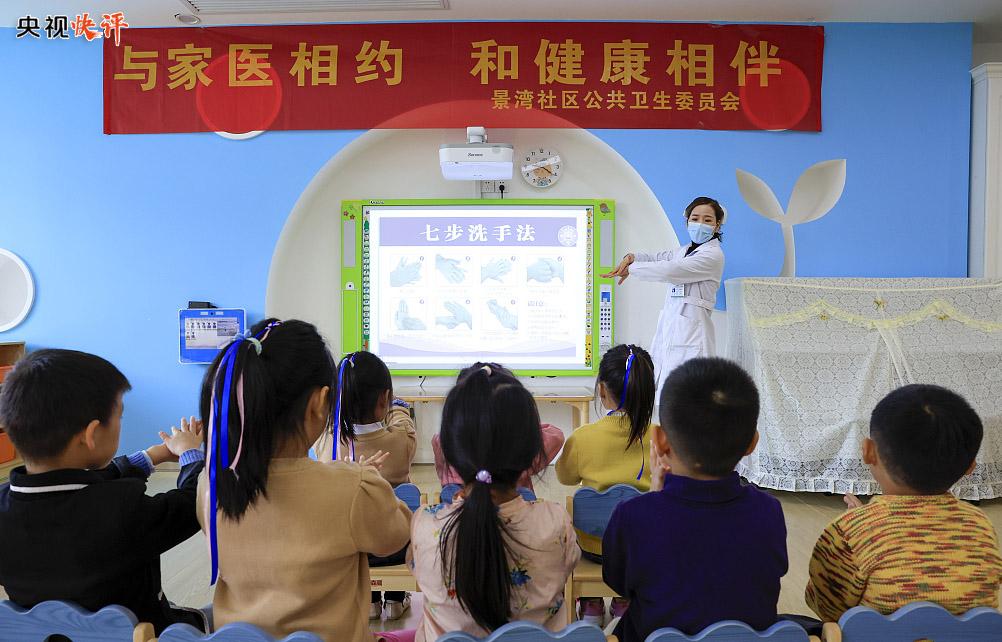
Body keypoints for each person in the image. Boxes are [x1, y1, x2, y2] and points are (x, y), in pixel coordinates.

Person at [196, 319, 412, 642]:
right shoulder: (353, 488)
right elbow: (396, 535)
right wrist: (371, 482)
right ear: (319, 403)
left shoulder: (210, 484)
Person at [0, 349, 208, 634]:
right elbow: (193, 503)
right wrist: (190, 455)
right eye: (119, 416)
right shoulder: (122, 510)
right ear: (91, 434)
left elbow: (82, 483)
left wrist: (152, 456)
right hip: (142, 634)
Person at [603, 357, 787, 642]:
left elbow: (618, 582)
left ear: (660, 440)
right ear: (752, 442)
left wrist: (654, 499)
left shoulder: (633, 515)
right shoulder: (769, 511)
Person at [409, 363, 580, 642]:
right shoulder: (555, 522)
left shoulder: (425, 525)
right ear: (531, 449)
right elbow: (569, 562)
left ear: (449, 448)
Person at [805, 384, 1002, 621]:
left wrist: (865, 525)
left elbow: (826, 608)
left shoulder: (849, 532)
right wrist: (870, 523)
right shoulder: (980, 526)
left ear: (868, 451)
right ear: (971, 467)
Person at [555, 344, 655, 625]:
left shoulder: (583, 437)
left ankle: (591, 606)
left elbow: (565, 477)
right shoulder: (661, 436)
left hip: (594, 547)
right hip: (641, 548)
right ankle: (624, 601)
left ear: (601, 390)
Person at [313, 350, 417, 621]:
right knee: (404, 500)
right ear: (384, 399)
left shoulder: (328, 443)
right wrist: (397, 406)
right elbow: (404, 421)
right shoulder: (401, 441)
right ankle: (395, 600)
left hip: (349, 547)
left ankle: (369, 602)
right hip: (396, 547)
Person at [602, 197, 726, 405]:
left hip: (693, 334)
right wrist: (632, 257)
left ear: (717, 225)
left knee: (689, 399)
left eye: (707, 220)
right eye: (695, 218)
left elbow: (670, 270)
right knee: (666, 395)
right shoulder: (683, 251)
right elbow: (657, 258)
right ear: (687, 221)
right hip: (673, 328)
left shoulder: (712, 256)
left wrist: (631, 269)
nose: (700, 224)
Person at [431, 424, 564, 494]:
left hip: (459, 509)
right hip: (516, 505)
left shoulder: (444, 439)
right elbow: (555, 435)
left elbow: (443, 472)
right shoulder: (517, 437)